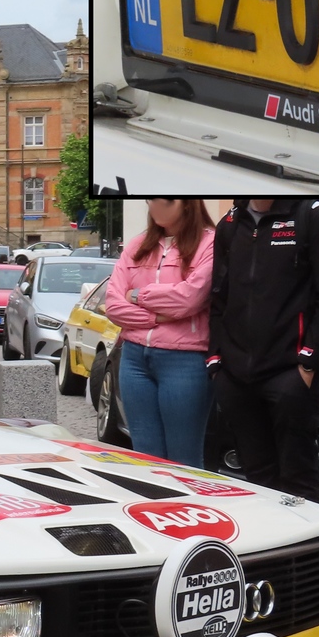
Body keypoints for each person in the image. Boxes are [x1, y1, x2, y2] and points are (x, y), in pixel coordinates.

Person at [207, 198, 319, 500]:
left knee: (297, 477)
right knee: (256, 480)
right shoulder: (231, 223)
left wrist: (309, 361)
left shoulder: (312, 215)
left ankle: (309, 547)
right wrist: (215, 359)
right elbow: (219, 297)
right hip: (235, 376)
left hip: (291, 373)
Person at [103, 199, 216, 467]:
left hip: (185, 360)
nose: (154, 206)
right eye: (150, 200)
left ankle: (186, 507)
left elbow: (188, 299)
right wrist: (157, 316)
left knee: (183, 458)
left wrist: (137, 295)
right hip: (133, 358)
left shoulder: (211, 243)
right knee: (144, 457)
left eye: (164, 200)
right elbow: (113, 306)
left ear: (188, 204)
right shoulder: (137, 245)